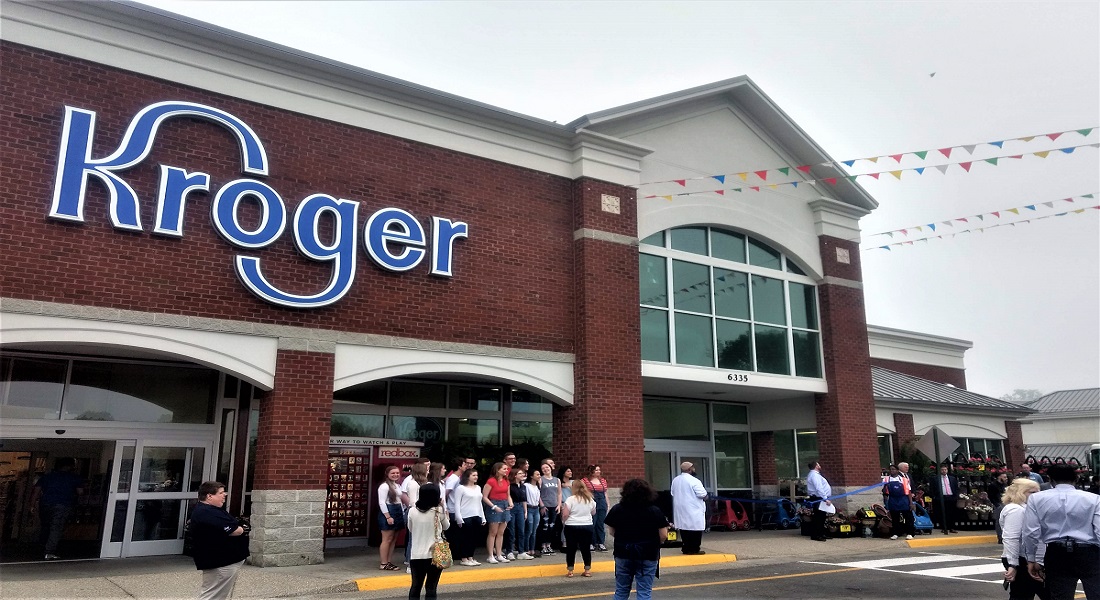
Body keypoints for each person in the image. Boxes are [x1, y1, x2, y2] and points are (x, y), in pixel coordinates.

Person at [1023, 463, 1100, 600]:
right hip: (1089, 552)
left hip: (1057, 552)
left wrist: (1032, 558)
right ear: (1076, 479)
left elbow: (1031, 532)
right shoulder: (1093, 499)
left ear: (1050, 479)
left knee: (1060, 596)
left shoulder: (1036, 499)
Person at [605, 478, 669, 600]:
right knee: (644, 592)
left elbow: (612, 531)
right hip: (647, 553)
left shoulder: (618, 509)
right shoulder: (654, 510)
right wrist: (656, 543)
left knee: (621, 590)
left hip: (623, 551)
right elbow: (664, 535)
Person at [189, 481, 249, 600]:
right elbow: (234, 530)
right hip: (220, 564)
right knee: (212, 596)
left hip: (224, 562)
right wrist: (242, 529)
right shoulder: (206, 512)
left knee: (217, 595)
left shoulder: (212, 510)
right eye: (221, 493)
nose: (224, 495)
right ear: (209, 496)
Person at [999, 478, 1046, 600]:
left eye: (1038, 492)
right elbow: (1011, 538)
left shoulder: (1026, 508)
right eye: (1032, 492)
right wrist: (1013, 565)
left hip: (1026, 558)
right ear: (1020, 492)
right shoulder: (1016, 510)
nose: (1037, 495)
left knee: (1023, 594)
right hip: (1021, 559)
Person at [29, 457, 84, 560]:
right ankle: (49, 552)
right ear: (70, 466)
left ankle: (42, 546)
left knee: (45, 525)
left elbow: (36, 491)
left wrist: (31, 505)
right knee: (56, 528)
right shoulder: (74, 478)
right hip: (62, 505)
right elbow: (80, 492)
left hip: (45, 504)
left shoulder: (47, 477)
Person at [407, 485, 449, 600]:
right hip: (435, 554)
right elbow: (446, 526)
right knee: (431, 587)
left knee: (415, 586)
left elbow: (411, 529)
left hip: (416, 555)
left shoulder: (412, 511)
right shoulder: (438, 511)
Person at [671, 461, 708, 554]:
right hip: (693, 509)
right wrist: (706, 497)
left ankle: (686, 548)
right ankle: (694, 549)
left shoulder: (676, 480)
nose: (694, 469)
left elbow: (672, 493)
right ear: (689, 469)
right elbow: (702, 494)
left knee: (684, 529)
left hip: (680, 509)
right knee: (695, 530)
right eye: (693, 468)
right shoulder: (694, 481)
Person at [561, 479, 596, 578]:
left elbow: (565, 514)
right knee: (586, 548)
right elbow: (593, 512)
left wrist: (564, 521)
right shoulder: (590, 499)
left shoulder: (570, 499)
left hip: (572, 525)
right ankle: (587, 570)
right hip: (587, 525)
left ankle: (570, 571)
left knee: (571, 548)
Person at [452, 468, 485, 566]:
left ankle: (471, 556)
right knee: (465, 537)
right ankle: (464, 558)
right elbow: (457, 504)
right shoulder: (461, 488)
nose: (476, 477)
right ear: (468, 476)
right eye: (473, 475)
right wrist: (458, 518)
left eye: (477, 475)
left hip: (476, 514)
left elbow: (479, 503)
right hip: (465, 515)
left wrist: (483, 517)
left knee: (474, 537)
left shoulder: (478, 487)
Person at [481, 462, 513, 563]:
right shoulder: (491, 481)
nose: (506, 470)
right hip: (493, 504)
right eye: (504, 469)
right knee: (492, 532)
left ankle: (499, 554)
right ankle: (490, 555)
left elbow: (508, 494)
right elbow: (484, 496)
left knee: (501, 532)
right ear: (497, 470)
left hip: (504, 505)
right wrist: (494, 506)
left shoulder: (506, 481)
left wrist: (511, 503)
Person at [401, 462, 429, 571]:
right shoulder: (413, 484)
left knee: (419, 539)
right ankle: (409, 564)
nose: (428, 471)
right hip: (414, 512)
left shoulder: (422, 483)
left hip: (421, 511)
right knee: (413, 539)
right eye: (426, 469)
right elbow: (412, 502)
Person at [377, 465, 405, 571]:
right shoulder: (384, 486)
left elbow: (400, 500)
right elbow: (382, 502)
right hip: (389, 512)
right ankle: (383, 563)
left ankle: (389, 561)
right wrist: (388, 516)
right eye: (393, 473)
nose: (395, 475)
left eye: (397, 473)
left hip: (398, 511)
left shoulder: (397, 485)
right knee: (386, 539)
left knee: (393, 539)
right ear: (387, 474)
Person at [882, 464, 915, 541]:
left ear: (897, 470)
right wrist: (885, 488)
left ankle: (910, 533)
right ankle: (896, 533)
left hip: (903, 499)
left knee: (907, 517)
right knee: (895, 517)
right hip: (893, 500)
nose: (892, 471)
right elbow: (884, 492)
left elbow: (908, 492)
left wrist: (911, 503)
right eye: (891, 469)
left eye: (893, 469)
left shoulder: (904, 480)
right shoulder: (886, 480)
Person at [583, 464, 610, 552]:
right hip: (592, 502)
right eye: (596, 470)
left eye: (599, 470)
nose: (599, 471)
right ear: (591, 471)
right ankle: (591, 543)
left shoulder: (602, 481)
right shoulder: (585, 481)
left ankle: (601, 542)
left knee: (600, 524)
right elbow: (584, 493)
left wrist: (608, 504)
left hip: (602, 503)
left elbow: (605, 493)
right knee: (592, 523)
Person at [507, 468, 532, 560]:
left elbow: (524, 499)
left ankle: (521, 551)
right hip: (512, 507)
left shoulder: (523, 486)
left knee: (521, 530)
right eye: (520, 473)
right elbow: (508, 496)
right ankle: (509, 551)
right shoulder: (510, 485)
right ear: (515, 475)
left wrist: (525, 511)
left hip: (520, 507)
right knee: (511, 530)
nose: (522, 475)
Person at [445, 457, 476, 532]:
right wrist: (445, 508)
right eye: (464, 464)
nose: (466, 466)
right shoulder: (453, 478)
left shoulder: (458, 478)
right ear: (459, 467)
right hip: (453, 510)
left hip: (458, 509)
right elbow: (445, 494)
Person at [538, 461, 562, 555]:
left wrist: (559, 505)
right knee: (545, 526)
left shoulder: (557, 480)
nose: (545, 469)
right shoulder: (541, 479)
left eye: (547, 467)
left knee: (552, 526)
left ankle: (549, 545)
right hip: (545, 506)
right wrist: (542, 505)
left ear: (550, 468)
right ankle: (543, 546)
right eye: (543, 468)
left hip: (554, 506)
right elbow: (538, 493)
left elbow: (559, 493)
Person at [805, 460, 832, 542]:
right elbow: (819, 488)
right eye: (818, 464)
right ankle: (816, 535)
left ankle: (821, 533)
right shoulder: (814, 475)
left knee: (822, 516)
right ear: (816, 466)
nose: (820, 465)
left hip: (819, 497)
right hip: (818, 498)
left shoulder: (816, 475)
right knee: (818, 517)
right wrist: (825, 499)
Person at [931, 464, 960, 534]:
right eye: (942, 470)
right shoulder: (935, 478)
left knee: (952, 513)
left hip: (951, 497)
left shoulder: (952, 478)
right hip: (941, 497)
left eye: (945, 470)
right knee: (942, 513)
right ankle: (944, 527)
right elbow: (931, 489)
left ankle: (952, 527)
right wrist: (934, 496)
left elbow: (956, 487)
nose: (944, 471)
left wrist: (955, 496)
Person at [524, 469, 542, 558]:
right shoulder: (526, 485)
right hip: (529, 507)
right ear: (531, 476)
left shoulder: (538, 486)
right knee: (529, 530)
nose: (539, 476)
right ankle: (526, 549)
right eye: (537, 474)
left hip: (536, 508)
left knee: (534, 531)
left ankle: (532, 549)